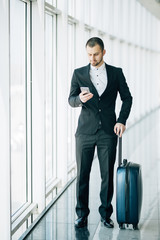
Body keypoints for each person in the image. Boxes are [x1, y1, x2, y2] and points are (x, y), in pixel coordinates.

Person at [68, 37, 132, 229]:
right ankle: (82, 215)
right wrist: (79, 99)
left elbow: (127, 98)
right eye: (89, 54)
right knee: (82, 175)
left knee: (107, 175)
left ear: (104, 52)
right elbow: (70, 99)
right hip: (85, 132)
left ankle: (106, 214)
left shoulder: (116, 73)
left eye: (95, 54)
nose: (92, 58)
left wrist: (121, 120)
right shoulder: (78, 73)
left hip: (108, 131)